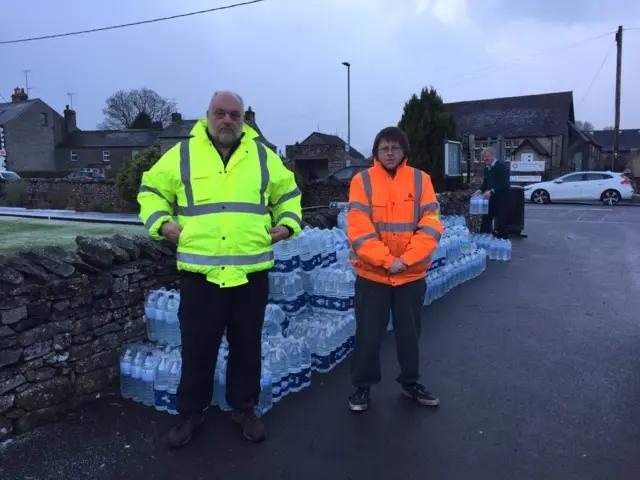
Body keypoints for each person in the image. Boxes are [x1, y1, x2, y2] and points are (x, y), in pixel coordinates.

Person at [138, 91, 302, 448]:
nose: (227, 120)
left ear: (243, 119)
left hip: (249, 274)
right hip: (201, 275)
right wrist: (162, 224)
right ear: (207, 115)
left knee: (247, 347)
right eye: (220, 113)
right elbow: (150, 190)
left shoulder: (263, 156)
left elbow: (289, 194)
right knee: (197, 348)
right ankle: (190, 413)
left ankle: (244, 409)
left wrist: (288, 224)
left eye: (234, 114)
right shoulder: (182, 154)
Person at [346, 127, 444, 412]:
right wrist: (388, 261)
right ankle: (362, 387)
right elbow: (358, 228)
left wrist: (408, 260)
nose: (390, 153)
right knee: (368, 334)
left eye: (395, 148)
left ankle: (411, 383)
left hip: (410, 275)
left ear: (404, 152)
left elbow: (431, 223)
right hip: (372, 274)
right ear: (376, 152)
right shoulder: (361, 180)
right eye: (385, 148)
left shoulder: (420, 179)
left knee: (409, 334)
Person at [475, 147, 511, 239]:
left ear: (493, 156)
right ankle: (484, 242)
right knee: (485, 222)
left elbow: (505, 185)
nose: (484, 159)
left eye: (486, 157)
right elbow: (486, 183)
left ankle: (503, 245)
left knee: (501, 224)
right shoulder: (486, 169)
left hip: (501, 200)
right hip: (489, 201)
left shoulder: (502, 167)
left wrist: (492, 191)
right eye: (483, 157)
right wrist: (480, 190)